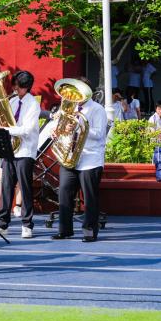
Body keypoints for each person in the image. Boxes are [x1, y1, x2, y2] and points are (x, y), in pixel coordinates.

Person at [55, 78, 107, 242]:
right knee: (64, 192)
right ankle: (65, 230)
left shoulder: (97, 109)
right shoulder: (70, 107)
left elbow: (99, 134)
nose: (75, 95)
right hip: (70, 156)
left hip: (90, 158)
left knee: (89, 197)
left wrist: (79, 126)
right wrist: (57, 131)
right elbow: (60, 127)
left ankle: (89, 231)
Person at [0, 70, 41, 239]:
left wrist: (4, 129)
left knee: (25, 188)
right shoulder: (13, 101)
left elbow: (26, 130)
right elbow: (6, 121)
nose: (14, 88)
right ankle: (2, 224)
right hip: (10, 150)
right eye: (14, 85)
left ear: (26, 87)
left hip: (25, 151)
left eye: (18, 86)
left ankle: (27, 224)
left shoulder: (33, 104)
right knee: (6, 187)